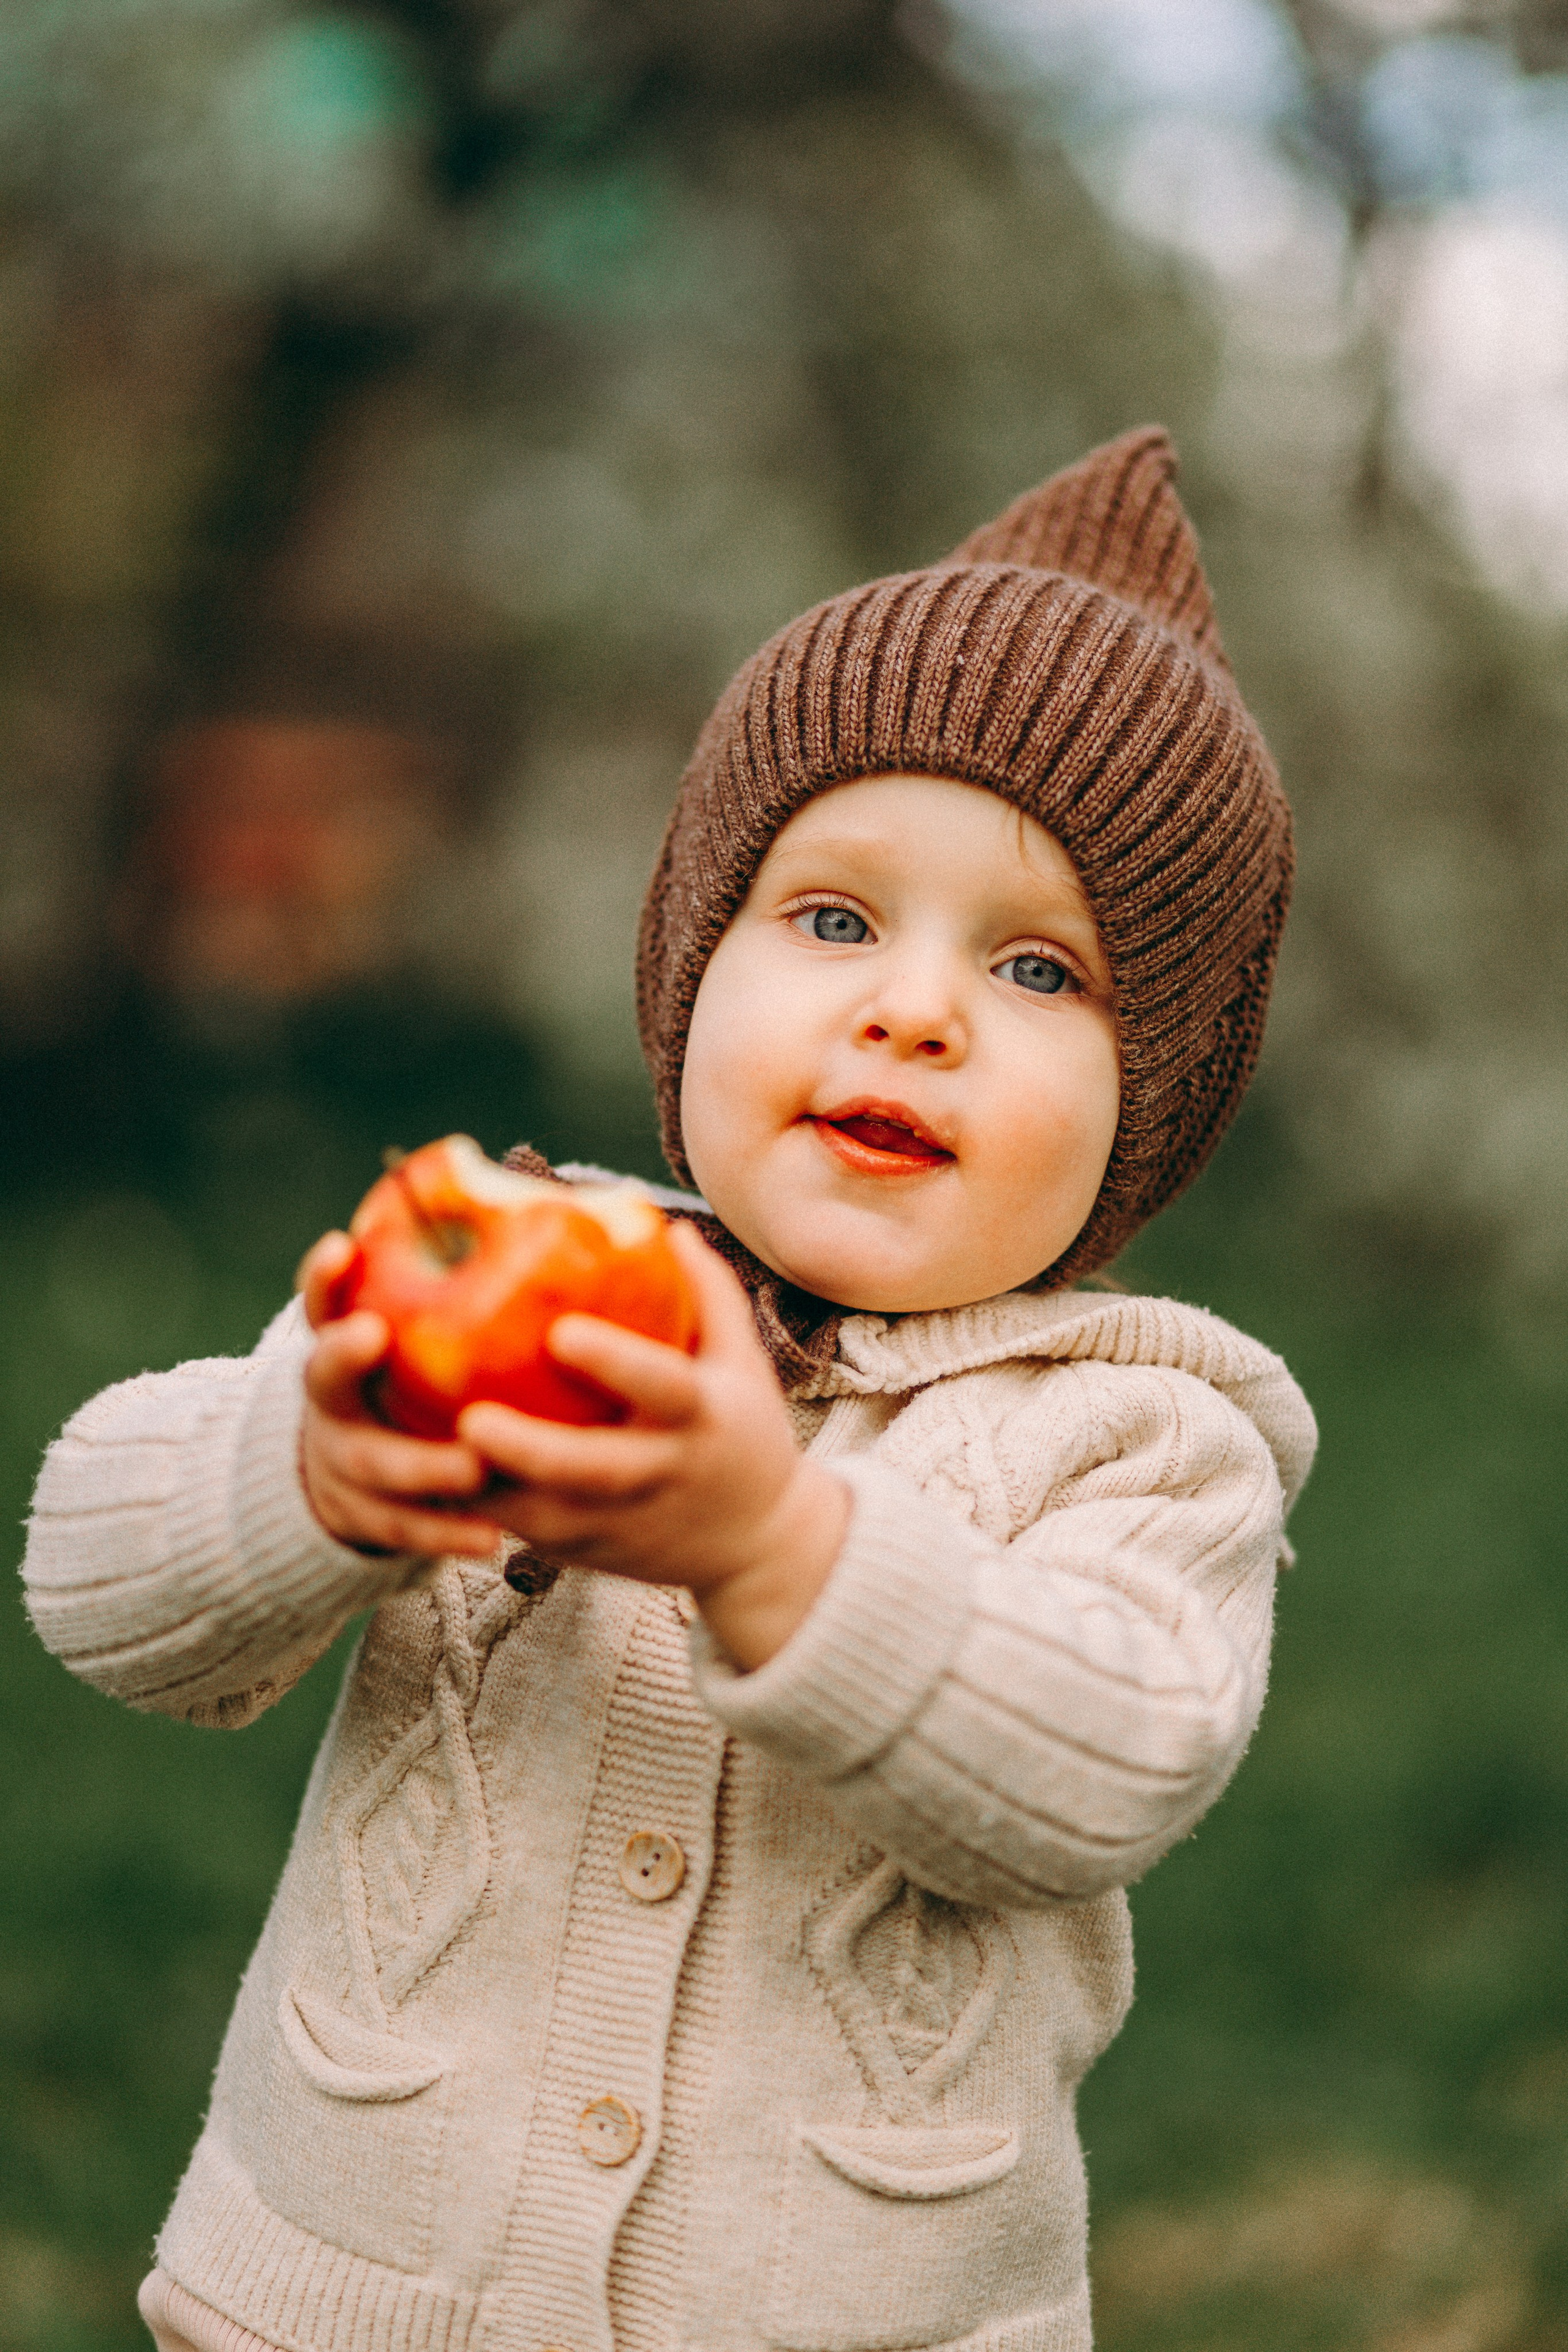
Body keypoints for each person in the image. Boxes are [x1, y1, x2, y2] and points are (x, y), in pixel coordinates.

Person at [23, 428, 1317, 2352]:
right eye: (832, 918)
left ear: (1161, 1109)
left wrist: (778, 1546)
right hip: (339, 2302)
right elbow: (92, 1585)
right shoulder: (504, 1267)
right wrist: (306, 1473)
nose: (916, 1009)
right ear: (690, 959)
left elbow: (1107, 1760)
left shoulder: (1141, 1433)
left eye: (1043, 970)